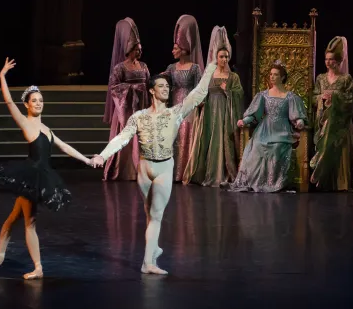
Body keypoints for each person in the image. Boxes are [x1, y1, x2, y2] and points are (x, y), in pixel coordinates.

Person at [90, 60, 218, 275]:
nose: (166, 89)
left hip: (164, 168)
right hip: (144, 168)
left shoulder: (175, 113)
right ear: (151, 90)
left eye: (168, 87)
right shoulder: (138, 117)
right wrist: (103, 156)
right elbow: (122, 138)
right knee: (150, 215)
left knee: (156, 215)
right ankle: (153, 249)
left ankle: (147, 263)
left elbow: (197, 95)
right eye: (161, 86)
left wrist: (210, 69)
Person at [0, 58, 94, 279]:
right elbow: (8, 103)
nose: (38, 103)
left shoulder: (46, 128)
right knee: (30, 222)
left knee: (13, 218)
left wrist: (87, 160)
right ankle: (38, 267)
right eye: (34, 100)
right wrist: (2, 76)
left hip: (41, 175)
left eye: (40, 100)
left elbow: (64, 146)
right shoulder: (26, 123)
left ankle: (0, 255)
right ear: (27, 104)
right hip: (31, 176)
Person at [222, 61, 308, 192]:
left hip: (281, 131)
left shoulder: (290, 97)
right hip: (264, 130)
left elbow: (296, 116)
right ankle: (255, 181)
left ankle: (273, 183)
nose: (272, 77)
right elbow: (255, 113)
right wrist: (245, 121)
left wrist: (300, 121)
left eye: (275, 74)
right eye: (271, 74)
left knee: (277, 148)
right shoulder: (263, 95)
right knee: (256, 147)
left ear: (282, 77)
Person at [183, 26, 244, 187]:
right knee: (209, 141)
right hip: (210, 112)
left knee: (225, 141)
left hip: (225, 113)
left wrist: (228, 91)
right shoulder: (209, 75)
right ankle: (206, 173)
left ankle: (225, 173)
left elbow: (239, 95)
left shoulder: (233, 77)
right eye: (221, 56)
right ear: (216, 57)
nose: (224, 59)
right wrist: (200, 103)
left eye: (226, 56)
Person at [103, 18, 150, 181]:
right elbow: (114, 87)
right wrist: (132, 88)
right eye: (137, 49)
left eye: (140, 49)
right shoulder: (120, 68)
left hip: (141, 107)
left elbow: (148, 83)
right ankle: (123, 169)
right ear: (129, 49)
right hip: (125, 109)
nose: (139, 52)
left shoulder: (143, 66)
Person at [310, 36, 353, 191]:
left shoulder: (345, 79)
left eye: (331, 59)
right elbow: (313, 97)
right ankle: (324, 182)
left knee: (339, 149)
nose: (328, 62)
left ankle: (340, 183)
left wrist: (335, 96)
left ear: (338, 60)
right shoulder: (321, 78)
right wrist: (320, 98)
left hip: (340, 122)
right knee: (324, 147)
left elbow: (352, 98)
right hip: (324, 120)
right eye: (326, 59)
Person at [161, 15, 204, 182]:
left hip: (188, 108)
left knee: (187, 136)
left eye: (175, 47)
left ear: (183, 48)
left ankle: (185, 172)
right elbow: (162, 81)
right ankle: (172, 173)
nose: (172, 51)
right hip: (174, 107)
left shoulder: (194, 68)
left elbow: (199, 89)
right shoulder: (171, 68)